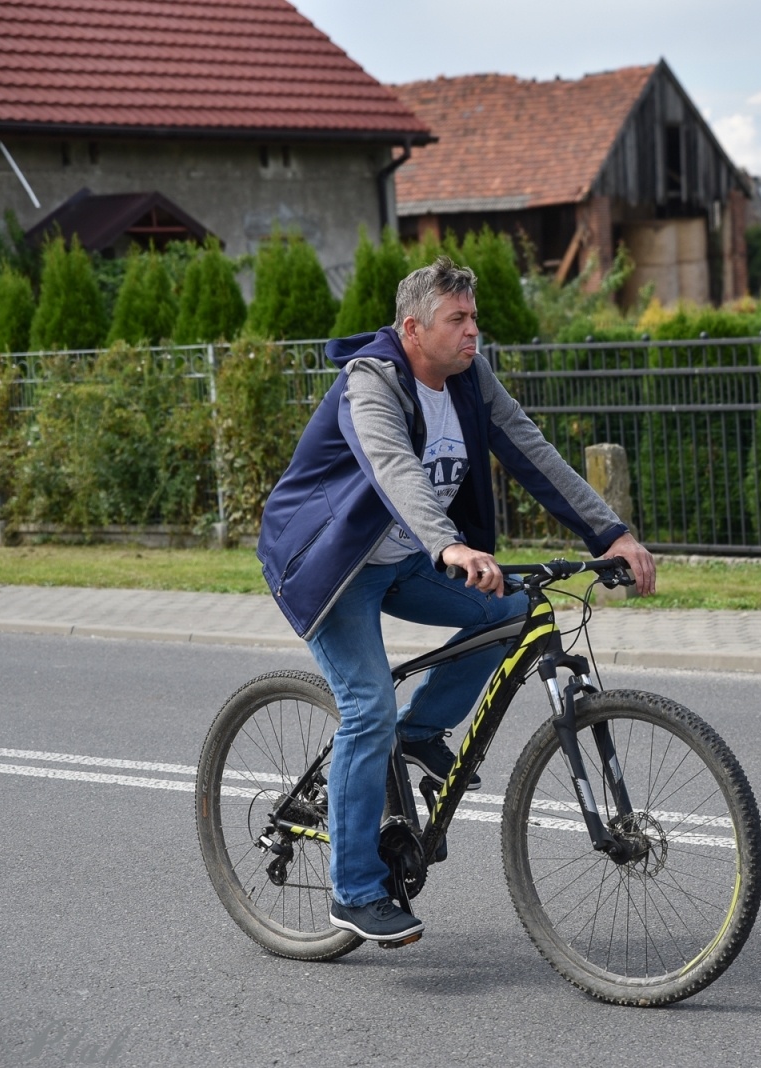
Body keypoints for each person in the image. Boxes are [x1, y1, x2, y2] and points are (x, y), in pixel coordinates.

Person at [256, 256, 654, 946]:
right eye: (458, 320)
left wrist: (610, 531)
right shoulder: (370, 383)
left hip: (408, 557)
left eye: (475, 318)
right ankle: (354, 892)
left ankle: (418, 732)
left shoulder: (471, 380)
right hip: (332, 566)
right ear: (413, 329)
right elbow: (394, 468)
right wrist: (448, 544)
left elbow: (531, 451)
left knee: (508, 613)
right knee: (367, 705)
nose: (474, 333)